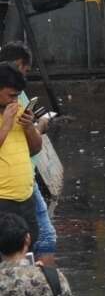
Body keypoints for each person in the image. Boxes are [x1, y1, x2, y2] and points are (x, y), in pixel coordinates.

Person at [0, 63, 44, 225]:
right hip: (3, 201)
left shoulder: (17, 110)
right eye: (11, 96)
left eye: (17, 96)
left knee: (28, 245)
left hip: (25, 197)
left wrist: (29, 126)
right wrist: (6, 124)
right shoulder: (9, 116)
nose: (15, 101)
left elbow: (35, 149)